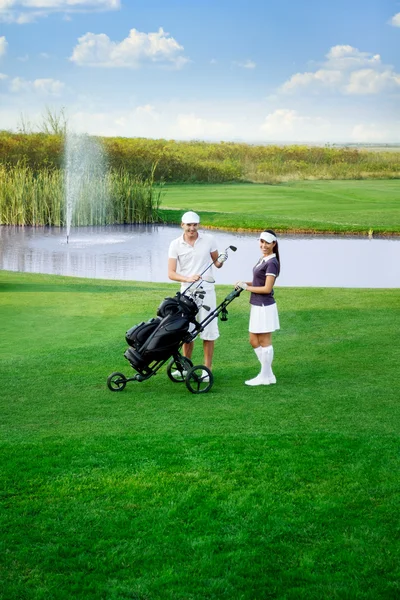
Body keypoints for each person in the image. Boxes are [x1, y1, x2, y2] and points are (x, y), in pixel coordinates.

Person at [168, 211, 227, 379]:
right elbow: (171, 273)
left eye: (194, 225)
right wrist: (187, 278)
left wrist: (222, 260)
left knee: (208, 330)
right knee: (187, 331)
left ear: (198, 225)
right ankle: (186, 367)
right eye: (188, 225)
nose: (192, 228)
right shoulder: (175, 244)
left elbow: (217, 263)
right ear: (182, 225)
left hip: (206, 292)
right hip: (186, 293)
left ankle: (206, 370)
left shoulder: (209, 240)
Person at [235, 229, 281, 386]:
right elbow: (258, 283)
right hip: (257, 304)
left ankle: (265, 376)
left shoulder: (272, 263)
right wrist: (245, 283)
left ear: (273, 244)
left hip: (264, 306)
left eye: (267, 242)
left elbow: (266, 288)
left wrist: (246, 288)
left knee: (264, 340)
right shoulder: (263, 259)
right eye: (261, 241)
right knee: (253, 340)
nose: (263, 245)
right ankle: (268, 374)